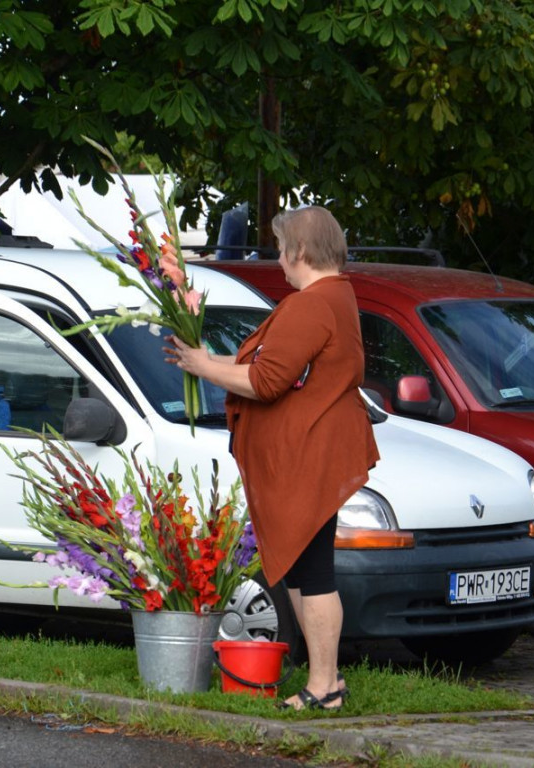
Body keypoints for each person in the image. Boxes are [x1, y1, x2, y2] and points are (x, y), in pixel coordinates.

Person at [163, 206, 379, 711]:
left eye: (282, 248)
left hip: (310, 454)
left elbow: (265, 382)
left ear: (300, 251)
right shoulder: (335, 296)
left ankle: (326, 685)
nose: (279, 258)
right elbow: (272, 370)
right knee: (305, 571)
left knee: (316, 572)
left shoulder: (311, 305)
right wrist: (206, 362)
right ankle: (324, 681)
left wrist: (203, 367)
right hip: (317, 449)